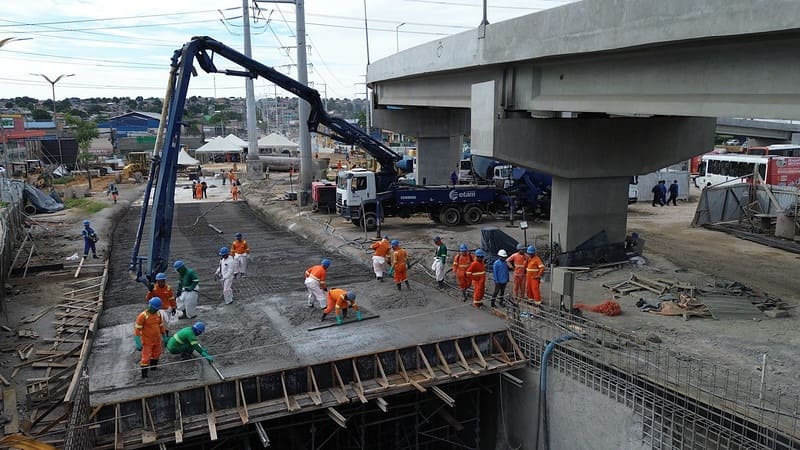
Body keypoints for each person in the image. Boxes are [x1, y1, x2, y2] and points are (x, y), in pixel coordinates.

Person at [134, 297, 167, 378]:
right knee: (146, 357)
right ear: (150, 306)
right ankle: (144, 375)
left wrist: (164, 336)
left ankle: (153, 368)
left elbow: (161, 325)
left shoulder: (158, 314)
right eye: (155, 308)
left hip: (157, 339)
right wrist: (138, 342)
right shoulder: (143, 316)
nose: (156, 310)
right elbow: (137, 330)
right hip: (147, 341)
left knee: (157, 353)